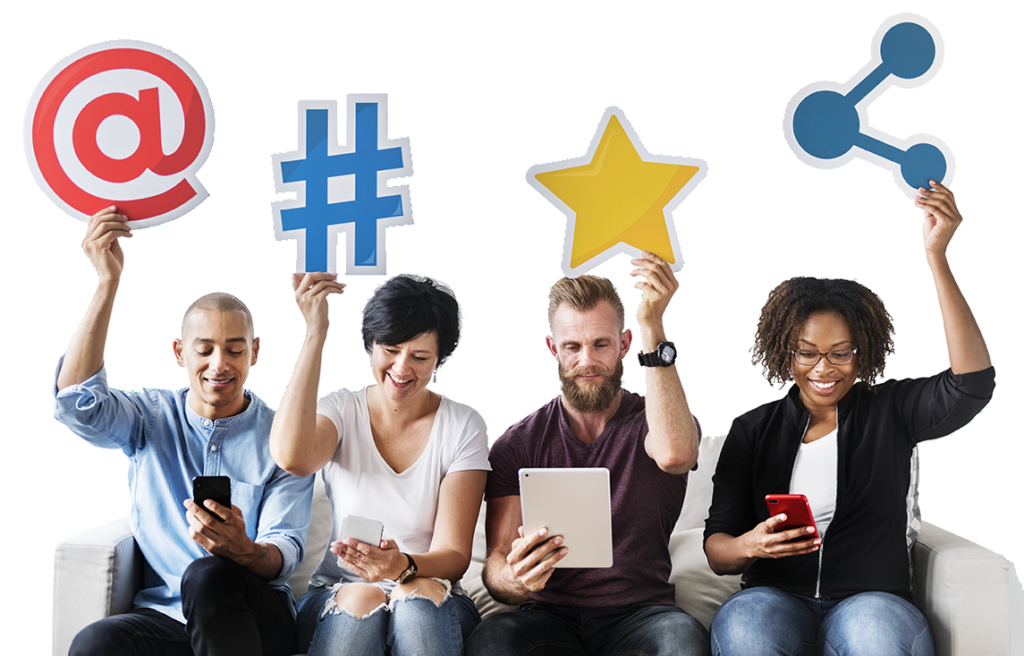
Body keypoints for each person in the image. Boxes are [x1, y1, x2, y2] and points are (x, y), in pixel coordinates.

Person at [703, 181, 995, 656]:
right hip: (775, 597)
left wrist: (937, 258)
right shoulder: (752, 429)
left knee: (872, 633)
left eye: (841, 353)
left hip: (872, 600)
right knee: (745, 624)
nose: (823, 369)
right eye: (808, 353)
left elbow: (972, 384)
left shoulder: (893, 411)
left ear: (864, 353)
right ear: (784, 352)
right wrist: (750, 546)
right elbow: (717, 551)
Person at [53, 207, 315, 656]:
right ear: (180, 353)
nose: (220, 364)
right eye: (205, 349)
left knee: (209, 574)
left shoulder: (283, 437)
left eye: (234, 350)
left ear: (254, 353)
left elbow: (283, 552)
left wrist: (244, 550)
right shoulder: (151, 417)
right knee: (96, 641)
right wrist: (107, 283)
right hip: (168, 617)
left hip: (253, 616)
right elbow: (78, 402)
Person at [466, 252, 711, 656]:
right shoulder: (519, 444)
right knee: (492, 639)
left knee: (681, 640)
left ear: (625, 344)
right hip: (547, 614)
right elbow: (496, 564)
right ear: (553, 349)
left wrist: (652, 323)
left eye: (601, 344)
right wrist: (516, 578)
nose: (587, 361)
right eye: (572, 347)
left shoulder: (657, 420)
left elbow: (674, 455)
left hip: (643, 615)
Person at [270, 271, 490, 656]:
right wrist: (315, 334)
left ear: (439, 358)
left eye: (420, 357)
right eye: (390, 349)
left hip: (431, 593)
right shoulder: (341, 409)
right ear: (370, 344)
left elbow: (454, 557)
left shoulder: (463, 424)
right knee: (362, 597)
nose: (402, 368)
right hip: (339, 596)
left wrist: (399, 567)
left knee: (416, 598)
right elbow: (292, 457)